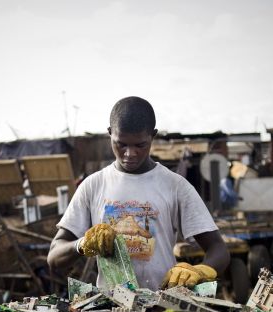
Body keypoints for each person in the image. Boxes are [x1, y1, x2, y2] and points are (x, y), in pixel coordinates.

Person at [47, 96, 229, 290]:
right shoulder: (93, 185)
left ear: (153, 135)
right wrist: (82, 244)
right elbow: (54, 258)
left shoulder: (175, 186)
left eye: (140, 145)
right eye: (121, 144)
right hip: (110, 311)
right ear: (110, 133)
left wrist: (200, 270)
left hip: (161, 304)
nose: (129, 153)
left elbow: (218, 249)